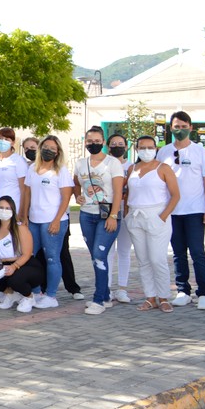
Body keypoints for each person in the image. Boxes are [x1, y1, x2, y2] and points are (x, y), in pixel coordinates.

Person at [157, 111, 205, 309]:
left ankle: (204, 294)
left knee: (198, 252)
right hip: (172, 212)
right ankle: (183, 290)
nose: (180, 130)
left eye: (183, 127)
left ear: (191, 128)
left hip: (195, 210)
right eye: (176, 127)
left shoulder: (201, 152)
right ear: (170, 128)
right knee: (178, 253)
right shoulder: (163, 152)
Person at [73, 126, 125, 315]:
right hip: (87, 215)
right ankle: (105, 295)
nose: (93, 144)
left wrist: (113, 215)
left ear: (103, 142)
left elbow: (119, 191)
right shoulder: (80, 163)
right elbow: (76, 182)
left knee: (99, 255)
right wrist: (77, 195)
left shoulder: (113, 163)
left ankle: (98, 300)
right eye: (89, 141)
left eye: (97, 141)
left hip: (107, 214)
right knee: (96, 258)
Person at [126, 137, 181, 312]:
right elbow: (128, 193)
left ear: (156, 148)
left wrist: (163, 216)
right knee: (143, 260)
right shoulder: (132, 169)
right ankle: (150, 297)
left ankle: (164, 296)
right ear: (136, 149)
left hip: (157, 215)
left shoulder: (163, 168)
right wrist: (127, 214)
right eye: (142, 147)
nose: (146, 150)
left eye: (150, 147)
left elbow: (175, 195)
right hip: (136, 216)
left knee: (157, 259)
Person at [19, 135, 74, 309]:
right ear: (40, 147)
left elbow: (66, 197)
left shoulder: (61, 171)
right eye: (46, 147)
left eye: (53, 149)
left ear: (58, 153)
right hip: (33, 220)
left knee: (52, 258)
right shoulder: (32, 169)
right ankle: (36, 292)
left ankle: (51, 296)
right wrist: (24, 216)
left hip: (53, 221)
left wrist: (57, 220)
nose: (48, 151)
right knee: (30, 256)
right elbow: (27, 193)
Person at [0, 196, 43, 313]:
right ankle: (10, 294)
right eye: (1, 208)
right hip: (4, 265)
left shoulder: (20, 228)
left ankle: (29, 297)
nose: (4, 211)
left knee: (15, 279)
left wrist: (14, 266)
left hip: (25, 264)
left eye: (8, 208)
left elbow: (27, 253)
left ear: (13, 210)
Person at [107, 133, 135, 303]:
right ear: (108, 146)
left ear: (126, 147)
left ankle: (122, 289)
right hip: (108, 213)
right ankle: (107, 288)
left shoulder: (133, 166)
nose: (117, 146)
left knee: (124, 251)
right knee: (108, 252)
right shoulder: (104, 164)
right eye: (113, 143)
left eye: (120, 143)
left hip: (126, 213)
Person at [0, 128, 27, 216]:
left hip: (12, 205)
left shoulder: (18, 161)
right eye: (0, 138)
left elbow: (24, 189)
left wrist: (22, 212)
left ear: (13, 142)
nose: (3, 141)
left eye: (6, 139)